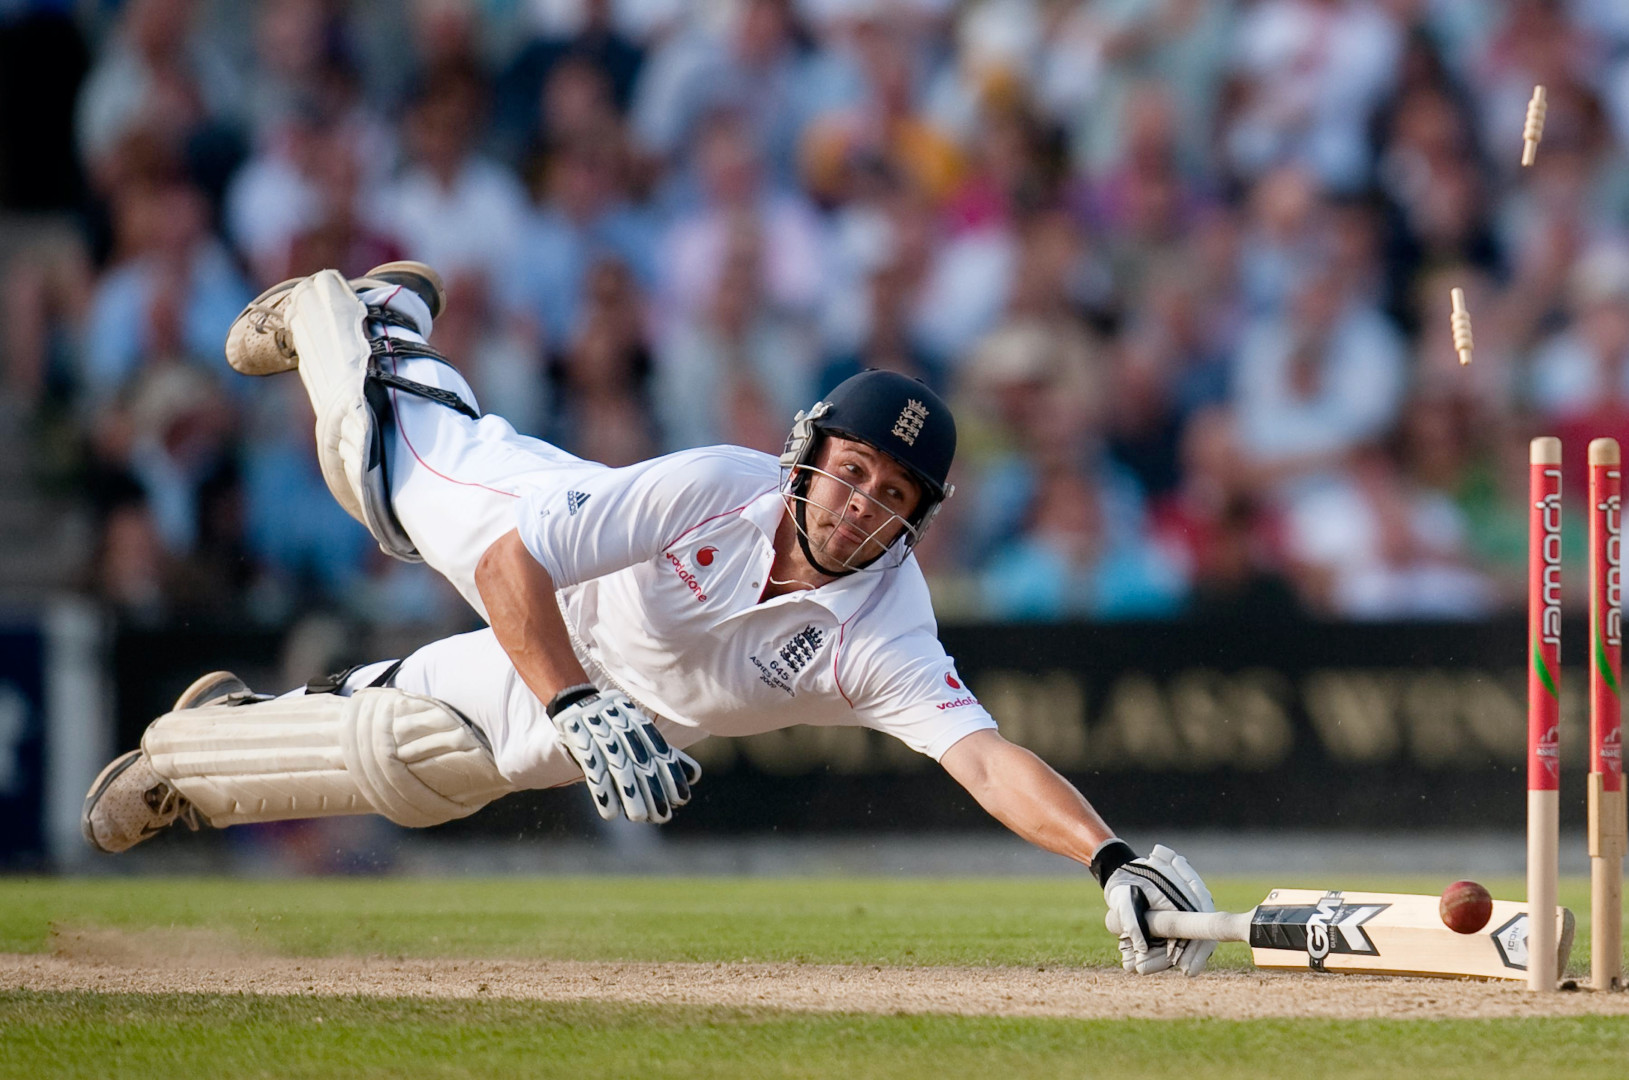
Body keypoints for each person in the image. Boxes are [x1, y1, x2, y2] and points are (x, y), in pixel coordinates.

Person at [80, 263, 1214, 976]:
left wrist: (1106, 859)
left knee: (414, 765)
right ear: (810, 456)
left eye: (893, 496)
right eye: (853, 472)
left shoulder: (885, 624)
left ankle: (201, 748)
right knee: (380, 490)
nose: (861, 505)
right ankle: (363, 318)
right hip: (546, 567)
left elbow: (982, 758)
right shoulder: (719, 484)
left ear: (916, 521)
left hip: (611, 699)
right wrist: (572, 700)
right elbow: (515, 560)